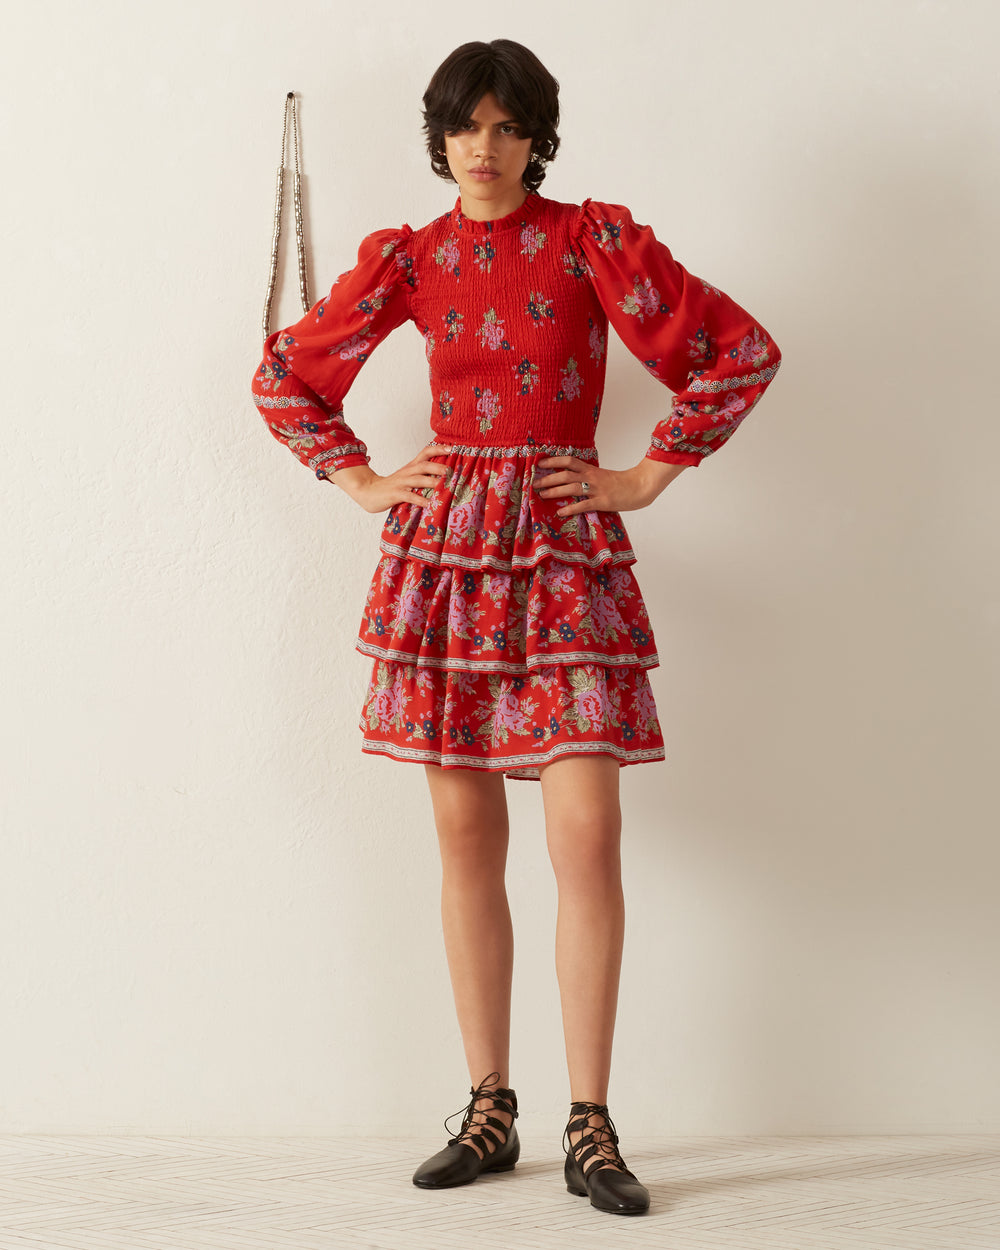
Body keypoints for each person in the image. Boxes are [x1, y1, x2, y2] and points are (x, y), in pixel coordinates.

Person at [251, 39, 781, 1217]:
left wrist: (645, 474)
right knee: (463, 838)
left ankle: (590, 1120)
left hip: (559, 552)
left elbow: (737, 352)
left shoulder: (591, 243)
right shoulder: (414, 256)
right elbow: (286, 374)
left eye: (505, 126)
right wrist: (360, 479)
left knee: (585, 832)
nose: (483, 148)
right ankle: (491, 1106)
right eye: (463, 126)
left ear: (537, 136)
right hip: (446, 563)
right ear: (436, 137)